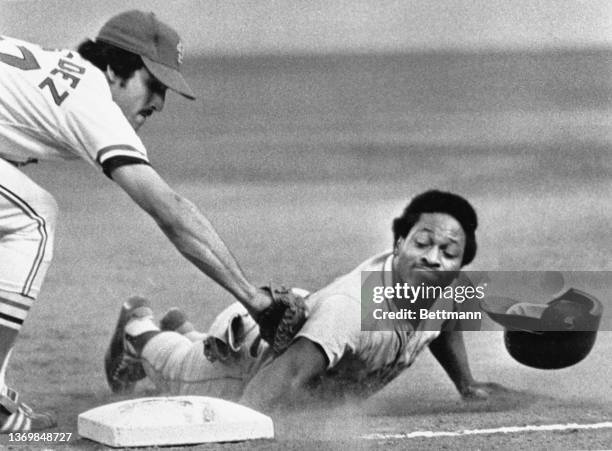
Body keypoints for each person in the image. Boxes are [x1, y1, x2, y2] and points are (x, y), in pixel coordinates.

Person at [0, 10, 291, 433]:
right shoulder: (90, 97)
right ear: (117, 69)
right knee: (34, 219)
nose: (158, 102)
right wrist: (254, 300)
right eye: (154, 83)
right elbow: (169, 211)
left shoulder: (52, 75)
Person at [107, 190, 509, 411]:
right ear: (400, 242)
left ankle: (185, 332)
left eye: (448, 251)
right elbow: (269, 389)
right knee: (179, 373)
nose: (432, 257)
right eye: (422, 243)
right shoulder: (352, 311)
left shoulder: (445, 290)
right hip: (248, 365)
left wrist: (466, 384)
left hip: (300, 328)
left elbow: (444, 321)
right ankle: (138, 330)